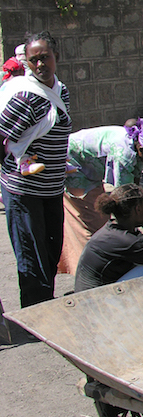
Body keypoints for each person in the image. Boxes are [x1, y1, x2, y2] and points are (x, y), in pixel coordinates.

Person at [0, 32, 71, 307]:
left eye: (45, 57)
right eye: (34, 60)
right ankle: (35, 315)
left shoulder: (60, 91)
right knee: (32, 256)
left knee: (51, 251)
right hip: (24, 191)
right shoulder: (25, 97)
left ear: (56, 57)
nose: (40, 64)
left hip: (52, 188)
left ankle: (45, 307)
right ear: (27, 63)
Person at [59, 116, 143, 276]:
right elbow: (124, 197)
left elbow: (136, 187)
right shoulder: (124, 154)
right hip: (74, 165)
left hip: (90, 169)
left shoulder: (137, 148)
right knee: (94, 222)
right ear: (141, 148)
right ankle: (93, 273)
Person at [73, 184, 143, 293]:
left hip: (89, 295)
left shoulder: (115, 229)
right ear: (138, 209)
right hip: (96, 300)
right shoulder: (125, 241)